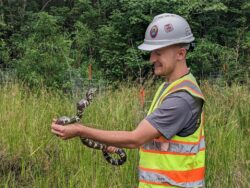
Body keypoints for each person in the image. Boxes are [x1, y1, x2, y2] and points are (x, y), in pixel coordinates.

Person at [51, 13, 205, 188]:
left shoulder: (182, 98)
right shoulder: (169, 88)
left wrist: (80, 130)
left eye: (158, 52)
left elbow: (135, 138)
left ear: (180, 53)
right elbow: (157, 143)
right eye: (152, 52)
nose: (152, 59)